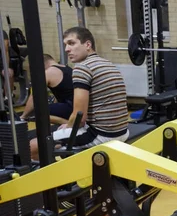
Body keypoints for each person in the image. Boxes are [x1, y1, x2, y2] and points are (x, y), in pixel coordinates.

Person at [30, 27, 129, 160]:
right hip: (122, 131)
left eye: (71, 43)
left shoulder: (82, 68)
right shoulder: (107, 64)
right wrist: (67, 127)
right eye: (65, 45)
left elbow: (79, 118)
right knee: (62, 133)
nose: (67, 49)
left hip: (101, 135)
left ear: (87, 45)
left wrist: (67, 128)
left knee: (33, 146)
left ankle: (59, 179)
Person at [20, 54, 74, 125]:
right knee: (50, 108)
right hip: (79, 106)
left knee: (39, 112)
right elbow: (63, 93)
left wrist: (23, 116)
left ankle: (71, 125)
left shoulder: (48, 73)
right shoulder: (67, 68)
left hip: (72, 108)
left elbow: (35, 96)